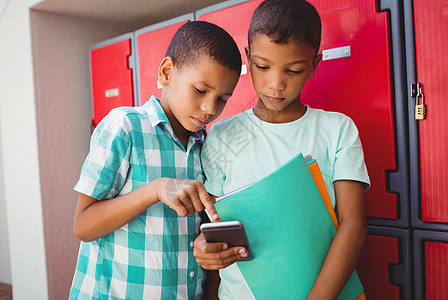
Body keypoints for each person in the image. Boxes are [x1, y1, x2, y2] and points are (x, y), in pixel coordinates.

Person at [193, 0, 370, 299]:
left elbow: (354, 224)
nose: (276, 84)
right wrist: (204, 248)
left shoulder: (337, 129)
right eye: (263, 67)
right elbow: (211, 223)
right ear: (247, 59)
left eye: (294, 70)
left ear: (314, 65)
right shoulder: (222, 134)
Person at [69, 21, 241, 299]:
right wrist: (155, 190)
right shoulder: (125, 127)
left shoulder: (207, 145)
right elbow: (83, 225)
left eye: (222, 99)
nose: (210, 109)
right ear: (167, 72)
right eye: (200, 90)